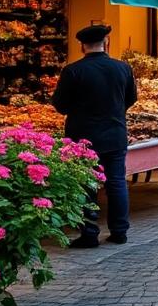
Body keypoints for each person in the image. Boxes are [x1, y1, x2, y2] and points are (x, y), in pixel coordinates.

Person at [50, 24, 137, 247]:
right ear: (106, 42)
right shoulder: (123, 68)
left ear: (82, 46)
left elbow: (60, 105)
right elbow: (131, 98)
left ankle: (89, 233)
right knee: (117, 182)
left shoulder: (73, 71)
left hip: (83, 136)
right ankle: (119, 231)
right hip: (115, 132)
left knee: (86, 184)